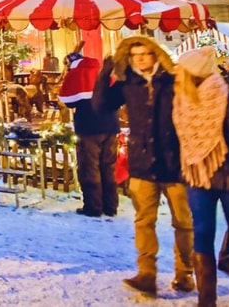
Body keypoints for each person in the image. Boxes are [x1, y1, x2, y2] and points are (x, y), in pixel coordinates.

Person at [96, 35, 194, 297]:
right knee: (143, 221)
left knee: (183, 222)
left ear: (155, 55)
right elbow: (101, 105)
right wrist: (105, 72)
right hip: (142, 164)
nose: (139, 58)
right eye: (135, 54)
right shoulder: (129, 84)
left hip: (175, 164)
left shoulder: (173, 81)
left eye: (144, 53)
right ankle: (147, 274)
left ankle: (185, 273)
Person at [172, 47, 229, 307]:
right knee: (201, 233)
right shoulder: (181, 99)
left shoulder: (227, 98)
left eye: (182, 69)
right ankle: (206, 298)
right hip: (197, 178)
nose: (178, 74)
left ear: (194, 72)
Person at [58, 43, 118, 217]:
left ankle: (93, 207)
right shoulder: (102, 71)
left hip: (89, 127)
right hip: (110, 125)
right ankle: (110, 206)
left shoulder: (76, 74)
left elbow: (66, 99)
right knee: (108, 166)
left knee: (89, 167)